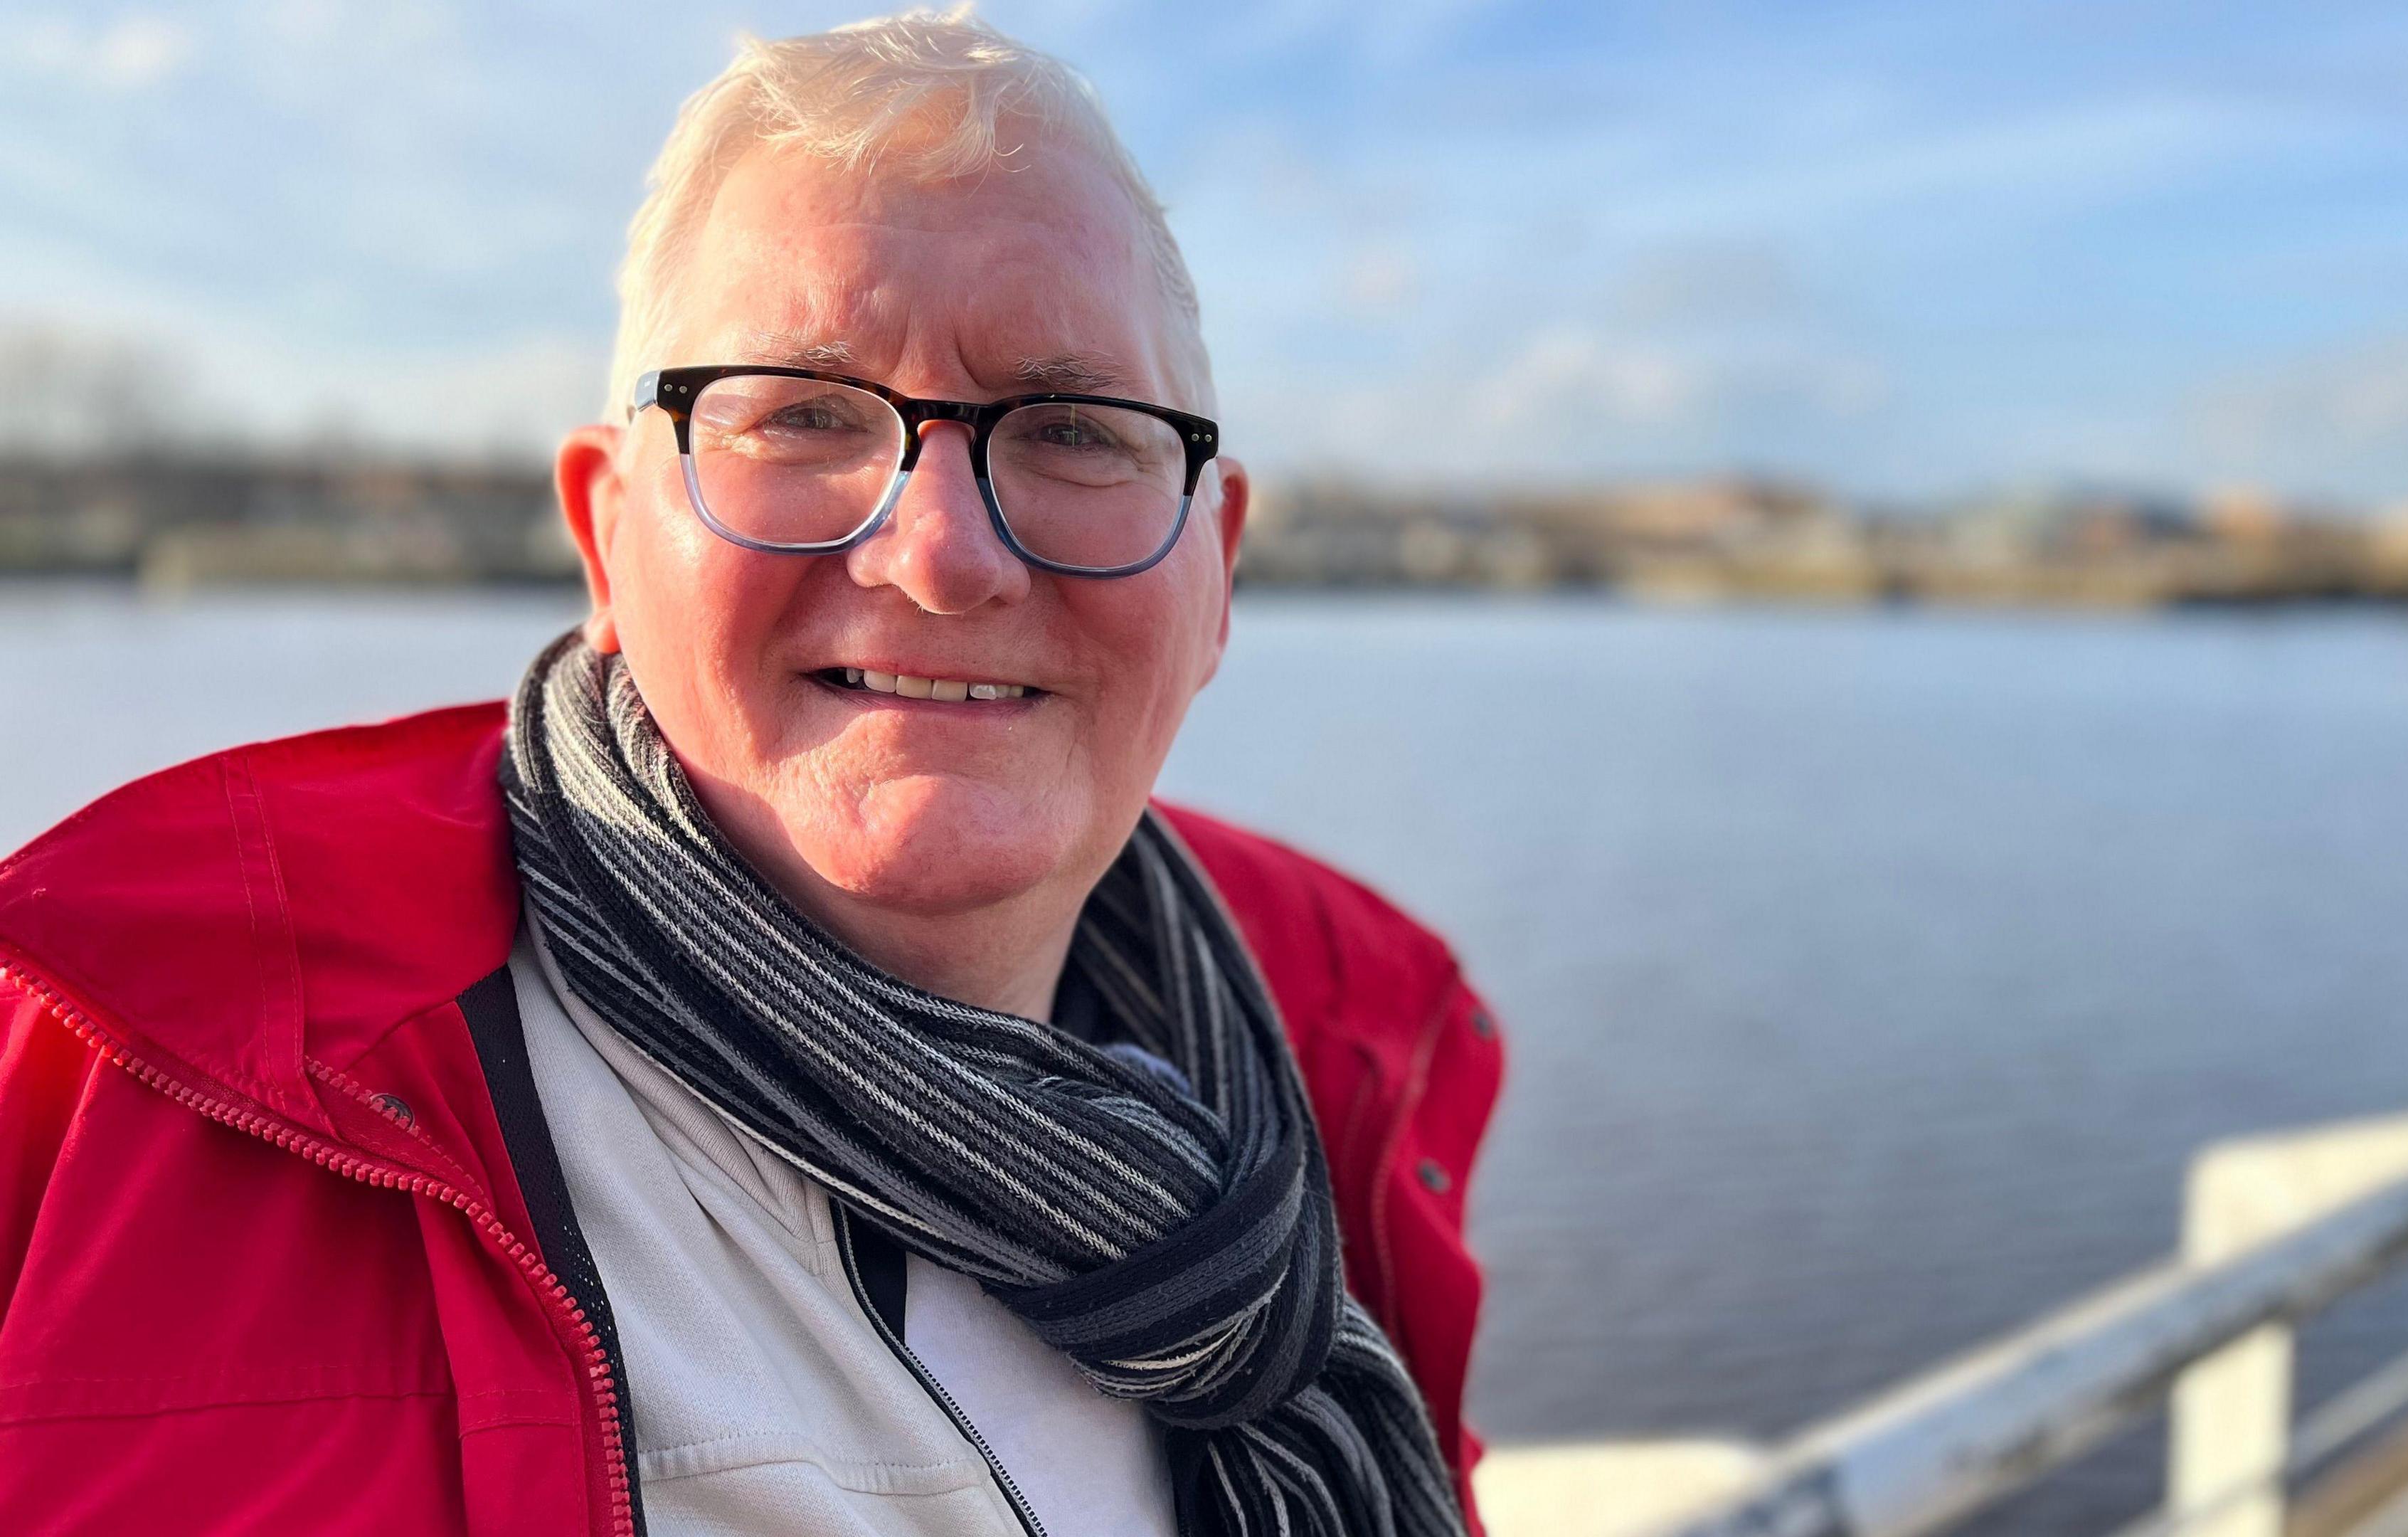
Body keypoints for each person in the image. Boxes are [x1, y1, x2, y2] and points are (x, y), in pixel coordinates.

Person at [0, 12, 1501, 1537]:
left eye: (1071, 429)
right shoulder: (100, 1097)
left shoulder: (1335, 1079)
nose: (942, 554)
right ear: (604, 534)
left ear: (1218, 570)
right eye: (803, 414)